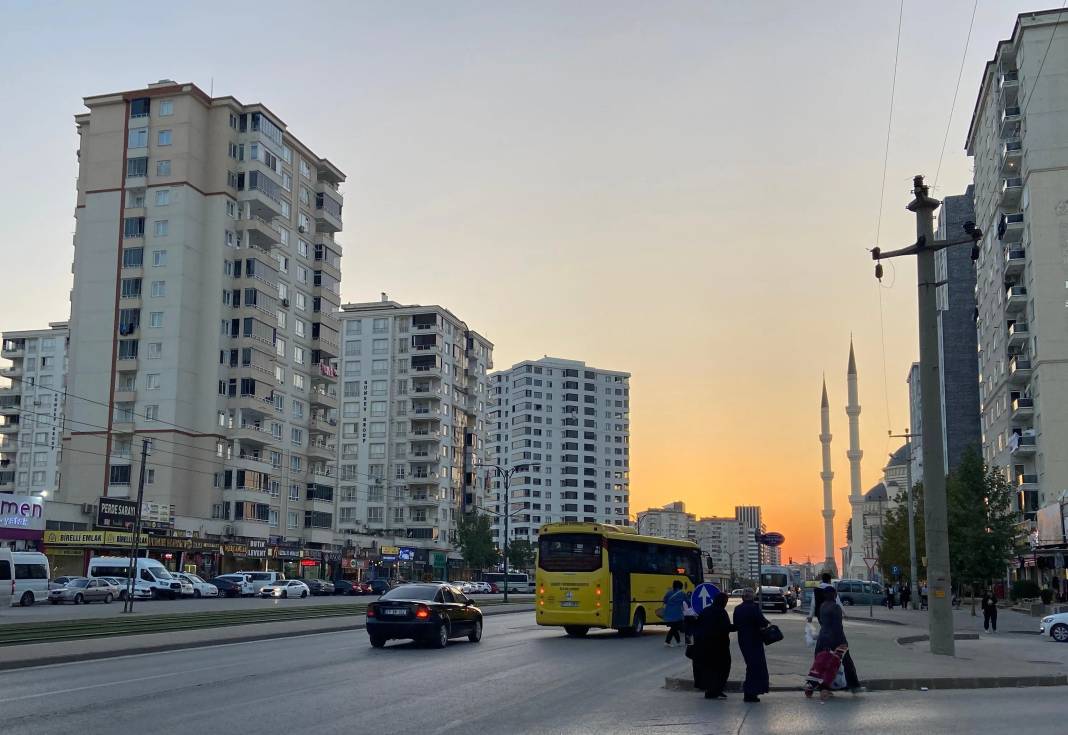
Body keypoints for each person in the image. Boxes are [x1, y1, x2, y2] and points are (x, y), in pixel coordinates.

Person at [815, 586, 862, 697]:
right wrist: (843, 642)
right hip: (835, 639)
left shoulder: (822, 606)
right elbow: (838, 627)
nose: (836, 596)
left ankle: (821, 687)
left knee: (822, 663)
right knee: (847, 663)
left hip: (823, 638)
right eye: (835, 594)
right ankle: (854, 686)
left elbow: (822, 622)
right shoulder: (836, 607)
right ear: (833, 595)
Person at [733, 588, 771, 703]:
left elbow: (736, 624)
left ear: (743, 597)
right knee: (756, 666)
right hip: (754, 640)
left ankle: (750, 692)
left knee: (750, 665)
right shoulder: (754, 608)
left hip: (743, 640)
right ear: (752, 597)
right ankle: (751, 692)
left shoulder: (737, 608)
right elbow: (762, 622)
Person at [693, 592, 733, 699]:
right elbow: (726, 628)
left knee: (709, 669)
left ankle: (711, 689)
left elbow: (697, 625)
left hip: (704, 645)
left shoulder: (706, 610)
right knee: (722, 668)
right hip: (719, 646)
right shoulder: (721, 612)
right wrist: (739, 627)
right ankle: (716, 690)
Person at [662, 580, 687, 647]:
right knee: (679, 628)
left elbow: (665, 600)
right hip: (677, 614)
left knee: (674, 628)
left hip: (668, 613)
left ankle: (675, 642)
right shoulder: (682, 593)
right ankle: (669, 641)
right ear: (680, 586)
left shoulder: (669, 593)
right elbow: (687, 601)